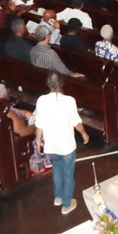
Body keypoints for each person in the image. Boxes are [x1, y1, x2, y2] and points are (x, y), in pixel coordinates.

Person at [33, 72, 89, 214]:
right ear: (63, 83)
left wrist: (39, 140)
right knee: (68, 173)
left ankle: (58, 197)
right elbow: (76, 122)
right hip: (67, 145)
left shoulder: (41, 100)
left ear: (47, 84)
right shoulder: (69, 101)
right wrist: (84, 134)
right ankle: (66, 204)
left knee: (56, 168)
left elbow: (39, 124)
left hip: (51, 144)